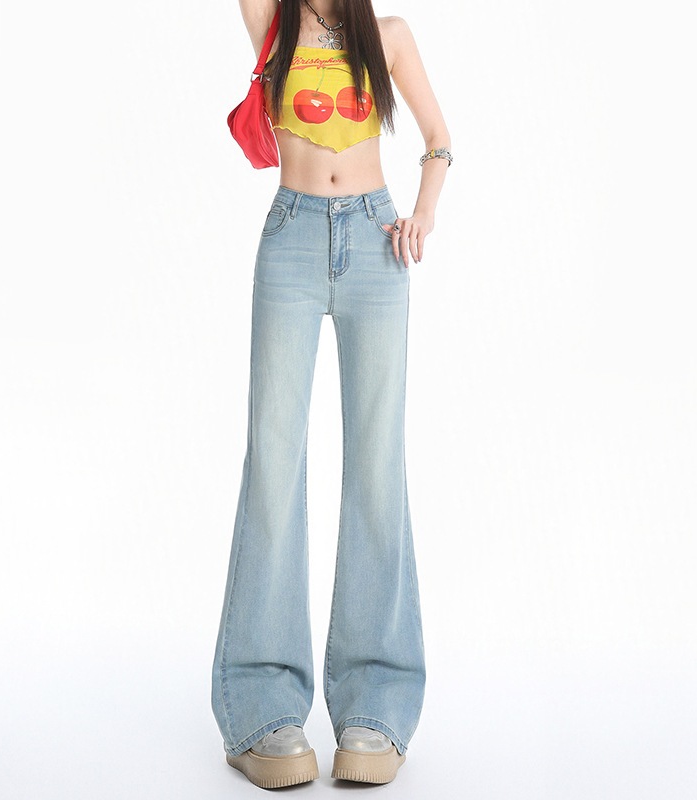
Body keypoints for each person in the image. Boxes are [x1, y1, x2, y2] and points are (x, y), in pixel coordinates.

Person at [211, 0, 452, 787]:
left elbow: (439, 139)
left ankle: (376, 705)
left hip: (378, 246)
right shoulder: (272, 22)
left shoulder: (389, 37)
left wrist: (422, 215)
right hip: (290, 239)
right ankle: (260, 708)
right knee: (273, 466)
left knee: (377, 470)